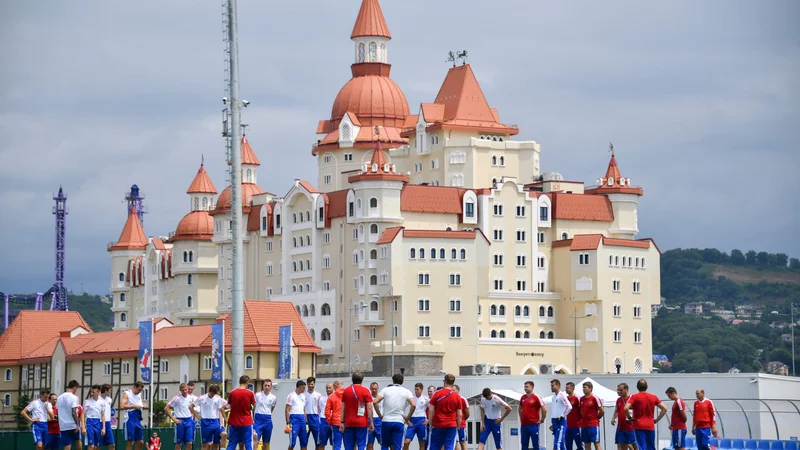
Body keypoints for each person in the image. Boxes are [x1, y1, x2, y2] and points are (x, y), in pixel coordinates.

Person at [373, 374, 415, 450]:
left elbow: (375, 402)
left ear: (392, 380)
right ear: (402, 381)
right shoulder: (406, 391)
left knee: (385, 445)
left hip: (386, 420)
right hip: (399, 421)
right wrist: (407, 418)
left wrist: (379, 415)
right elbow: (413, 405)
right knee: (397, 447)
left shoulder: (385, 389)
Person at [624, 379, 667, 450]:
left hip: (638, 425)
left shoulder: (634, 397)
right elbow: (664, 408)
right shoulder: (653, 397)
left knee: (642, 446)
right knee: (651, 446)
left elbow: (626, 408)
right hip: (650, 425)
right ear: (647, 386)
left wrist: (629, 418)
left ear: (637, 387)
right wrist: (656, 420)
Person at [340, 372, 374, 450]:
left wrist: (341, 422)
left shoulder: (346, 391)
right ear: (362, 380)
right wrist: (371, 422)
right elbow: (369, 407)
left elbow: (342, 407)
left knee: (349, 446)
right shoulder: (365, 391)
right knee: (361, 444)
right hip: (361, 422)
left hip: (348, 422)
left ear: (352, 380)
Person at [428, 374, 462, 450]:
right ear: (453, 383)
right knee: (449, 446)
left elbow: (431, 410)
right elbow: (459, 414)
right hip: (451, 425)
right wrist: (458, 426)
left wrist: (430, 423)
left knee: (434, 446)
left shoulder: (437, 394)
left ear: (444, 382)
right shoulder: (456, 396)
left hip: (438, 424)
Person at [222, 375, 256, 450]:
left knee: (232, 443)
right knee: (248, 444)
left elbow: (227, 405)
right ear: (247, 382)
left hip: (234, 422)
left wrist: (225, 419)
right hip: (246, 422)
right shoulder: (250, 393)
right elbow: (253, 405)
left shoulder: (232, 393)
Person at [192, 384, 228, 450]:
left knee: (224, 434)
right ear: (209, 391)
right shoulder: (201, 398)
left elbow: (220, 409)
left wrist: (224, 420)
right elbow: (190, 406)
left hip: (215, 421)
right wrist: (197, 415)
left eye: (214, 394)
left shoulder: (218, 398)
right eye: (212, 394)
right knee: (206, 444)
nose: (213, 395)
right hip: (206, 422)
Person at [167, 383, 197, 450]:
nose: (185, 391)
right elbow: (166, 408)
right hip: (180, 420)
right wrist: (173, 419)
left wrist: (193, 415)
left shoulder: (191, 398)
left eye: (186, 390)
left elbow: (194, 407)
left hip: (189, 420)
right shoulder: (176, 398)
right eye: (183, 390)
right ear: (180, 390)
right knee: (179, 443)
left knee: (189, 442)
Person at [519, 381, 546, 450]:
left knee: (535, 444)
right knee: (524, 445)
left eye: (527, 387)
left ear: (532, 387)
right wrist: (521, 418)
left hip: (533, 424)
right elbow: (520, 408)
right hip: (524, 425)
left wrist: (542, 420)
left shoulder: (536, 397)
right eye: (525, 387)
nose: (525, 388)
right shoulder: (523, 397)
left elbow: (544, 409)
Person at [121, 381, 146, 450]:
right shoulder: (127, 394)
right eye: (139, 389)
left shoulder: (139, 395)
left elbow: (138, 403)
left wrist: (143, 404)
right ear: (135, 387)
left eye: (141, 390)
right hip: (129, 419)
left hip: (137, 419)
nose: (139, 391)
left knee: (140, 442)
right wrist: (134, 406)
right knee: (130, 442)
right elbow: (122, 406)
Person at [57, 380, 82, 450]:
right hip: (72, 424)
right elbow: (74, 412)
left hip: (63, 425)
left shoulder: (59, 397)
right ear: (75, 387)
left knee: (67, 445)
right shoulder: (74, 397)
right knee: (78, 441)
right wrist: (77, 424)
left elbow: (58, 411)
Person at [403, 383, 429, 450]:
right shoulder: (411, 398)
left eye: (418, 389)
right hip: (412, 421)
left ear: (422, 390)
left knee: (422, 443)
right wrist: (406, 420)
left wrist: (428, 420)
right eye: (415, 389)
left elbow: (433, 409)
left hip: (421, 421)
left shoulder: (426, 398)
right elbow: (402, 407)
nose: (416, 391)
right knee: (406, 442)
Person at [548, 379, 572, 450]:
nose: (551, 387)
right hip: (554, 421)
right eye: (551, 386)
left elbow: (569, 407)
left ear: (558, 386)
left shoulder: (562, 395)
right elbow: (556, 409)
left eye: (553, 386)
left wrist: (562, 416)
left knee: (557, 443)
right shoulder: (553, 397)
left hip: (560, 421)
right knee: (561, 443)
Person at [579, 382, 604, 450]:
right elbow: (581, 410)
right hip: (584, 425)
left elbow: (602, 410)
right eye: (583, 388)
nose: (583, 389)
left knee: (596, 443)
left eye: (585, 387)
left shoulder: (594, 398)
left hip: (593, 424)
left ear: (590, 388)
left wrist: (596, 417)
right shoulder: (581, 399)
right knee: (586, 444)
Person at [611, 383, 635, 450]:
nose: (619, 392)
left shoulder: (632, 398)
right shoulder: (618, 400)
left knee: (633, 445)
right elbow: (616, 410)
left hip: (631, 427)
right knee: (622, 446)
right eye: (618, 390)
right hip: (621, 426)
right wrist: (613, 418)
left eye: (621, 390)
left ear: (626, 389)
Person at [255, 379, 278, 450]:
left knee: (266, 442)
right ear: (263, 386)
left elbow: (272, 407)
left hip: (267, 419)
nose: (267, 387)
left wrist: (267, 413)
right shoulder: (257, 395)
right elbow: (253, 406)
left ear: (271, 387)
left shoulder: (273, 397)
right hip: (258, 419)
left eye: (268, 385)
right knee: (255, 439)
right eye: (265, 385)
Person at [287, 379, 310, 450]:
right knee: (292, 443)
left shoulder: (303, 396)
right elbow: (287, 409)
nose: (304, 389)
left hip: (302, 420)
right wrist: (288, 423)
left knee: (304, 442)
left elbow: (304, 410)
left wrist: (306, 422)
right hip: (294, 420)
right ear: (299, 387)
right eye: (303, 388)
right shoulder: (291, 396)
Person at [83, 385, 108, 450]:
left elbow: (103, 415)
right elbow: (82, 414)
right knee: (91, 446)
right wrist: (83, 427)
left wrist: (104, 428)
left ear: (98, 392)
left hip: (98, 423)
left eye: (93, 392)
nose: (92, 393)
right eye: (91, 392)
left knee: (97, 446)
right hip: (89, 423)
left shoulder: (102, 402)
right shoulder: (87, 402)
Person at [325, 380, 345, 450]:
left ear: (334, 386)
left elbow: (327, 411)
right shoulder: (348, 394)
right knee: (349, 444)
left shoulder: (331, 396)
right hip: (347, 422)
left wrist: (330, 422)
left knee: (336, 445)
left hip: (336, 422)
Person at [305, 377, 323, 450]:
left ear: (314, 384)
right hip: (306, 420)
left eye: (312, 384)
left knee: (318, 442)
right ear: (307, 384)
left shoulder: (318, 395)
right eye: (309, 384)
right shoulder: (303, 394)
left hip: (315, 419)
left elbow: (321, 408)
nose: (310, 386)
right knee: (304, 442)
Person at [564, 383, 583, 450]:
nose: (566, 390)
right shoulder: (566, 399)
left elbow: (582, 410)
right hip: (568, 426)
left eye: (567, 388)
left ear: (572, 388)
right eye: (566, 388)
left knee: (579, 445)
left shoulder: (577, 398)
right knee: (568, 446)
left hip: (577, 426)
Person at [453, 385, 470, 450]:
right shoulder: (451, 399)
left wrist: (462, 420)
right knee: (455, 442)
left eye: (454, 390)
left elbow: (467, 413)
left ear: (458, 390)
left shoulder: (463, 399)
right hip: (453, 424)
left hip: (461, 425)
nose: (452, 392)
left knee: (462, 442)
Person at [100, 384, 116, 450]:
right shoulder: (98, 399)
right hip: (99, 422)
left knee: (112, 444)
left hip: (108, 423)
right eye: (109, 390)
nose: (110, 392)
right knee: (98, 445)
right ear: (105, 390)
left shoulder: (109, 399)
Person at [318, 383, 334, 450]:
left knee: (334, 443)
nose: (328, 389)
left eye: (329, 388)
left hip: (333, 421)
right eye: (327, 388)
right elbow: (319, 409)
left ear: (333, 388)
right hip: (324, 421)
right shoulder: (322, 398)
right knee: (322, 443)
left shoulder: (336, 398)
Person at [368, 382, 382, 450]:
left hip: (379, 421)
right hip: (369, 421)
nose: (374, 390)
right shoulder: (368, 398)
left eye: (375, 389)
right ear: (370, 389)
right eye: (372, 389)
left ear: (378, 388)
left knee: (382, 442)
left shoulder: (381, 398)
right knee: (370, 444)